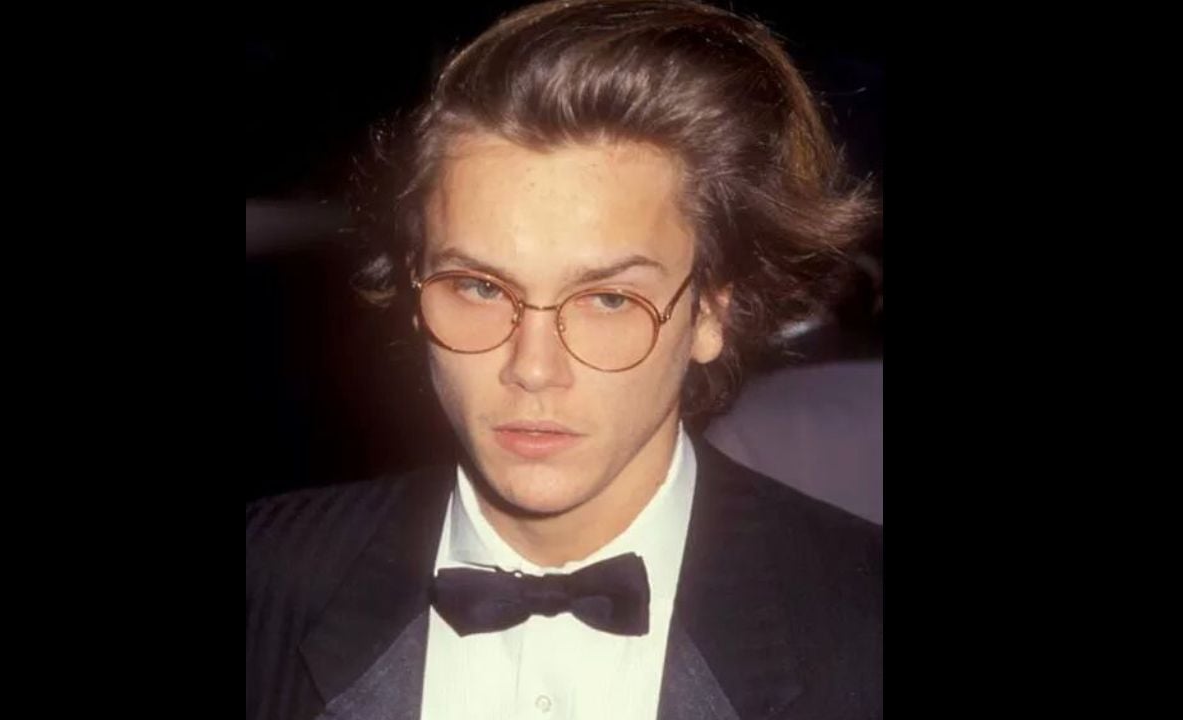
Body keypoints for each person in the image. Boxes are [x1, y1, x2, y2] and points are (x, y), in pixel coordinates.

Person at [247, 2, 882, 718]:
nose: (533, 367)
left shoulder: (861, 624)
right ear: (412, 288)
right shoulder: (264, 576)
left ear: (710, 313)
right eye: (480, 287)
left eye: (609, 299)